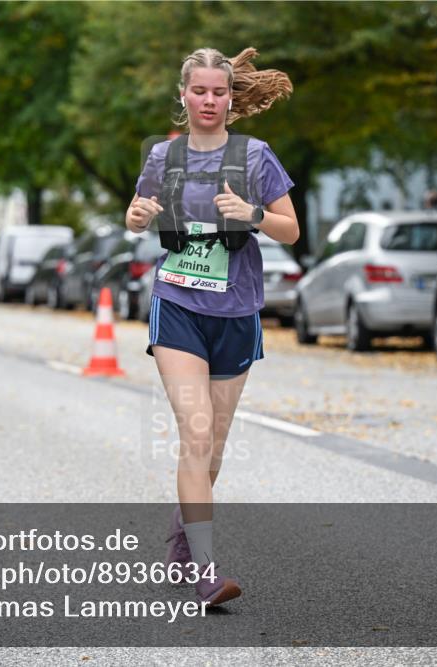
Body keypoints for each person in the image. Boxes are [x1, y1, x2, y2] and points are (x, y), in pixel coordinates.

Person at [126, 47, 297, 606]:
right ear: (183, 95)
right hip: (177, 304)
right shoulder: (162, 157)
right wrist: (136, 216)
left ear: (230, 97)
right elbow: (137, 210)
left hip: (237, 311)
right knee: (196, 434)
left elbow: (291, 230)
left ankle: (179, 544)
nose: (209, 100)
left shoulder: (256, 157)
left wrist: (250, 215)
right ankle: (204, 569)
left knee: (214, 448)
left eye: (218, 92)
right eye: (199, 91)